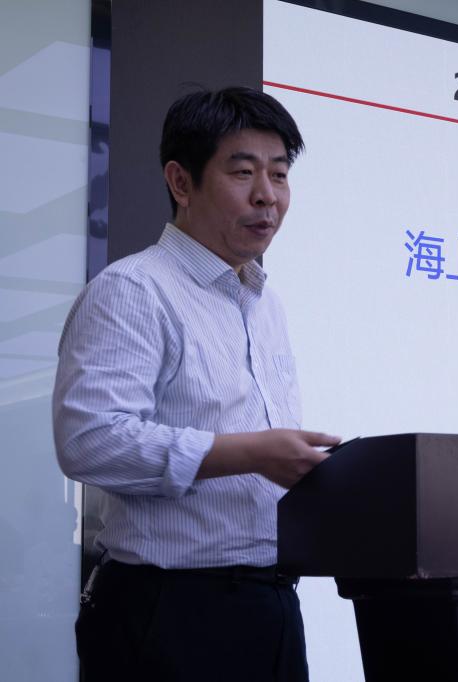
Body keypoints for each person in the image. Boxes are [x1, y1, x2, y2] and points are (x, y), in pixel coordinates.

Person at [53, 87, 338, 681]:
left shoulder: (265, 302)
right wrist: (251, 454)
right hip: (170, 610)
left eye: (279, 174)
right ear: (181, 182)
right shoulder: (134, 290)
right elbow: (89, 441)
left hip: (269, 603)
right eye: (243, 172)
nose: (267, 195)